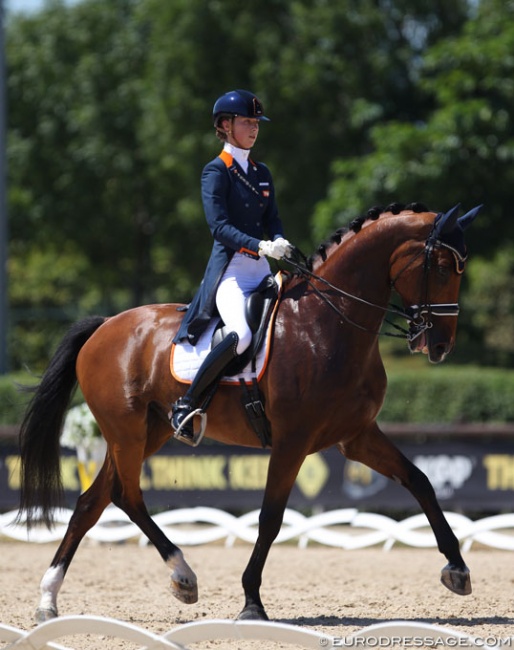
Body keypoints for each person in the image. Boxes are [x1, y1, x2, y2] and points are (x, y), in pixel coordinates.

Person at [170, 89, 292, 442]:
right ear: (225, 125)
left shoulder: (261, 171)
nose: (254, 129)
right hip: (233, 272)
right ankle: (187, 402)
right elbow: (218, 228)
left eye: (256, 123)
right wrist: (260, 245)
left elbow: (274, 218)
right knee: (240, 335)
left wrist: (280, 239)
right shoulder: (216, 171)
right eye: (246, 122)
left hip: (263, 270)